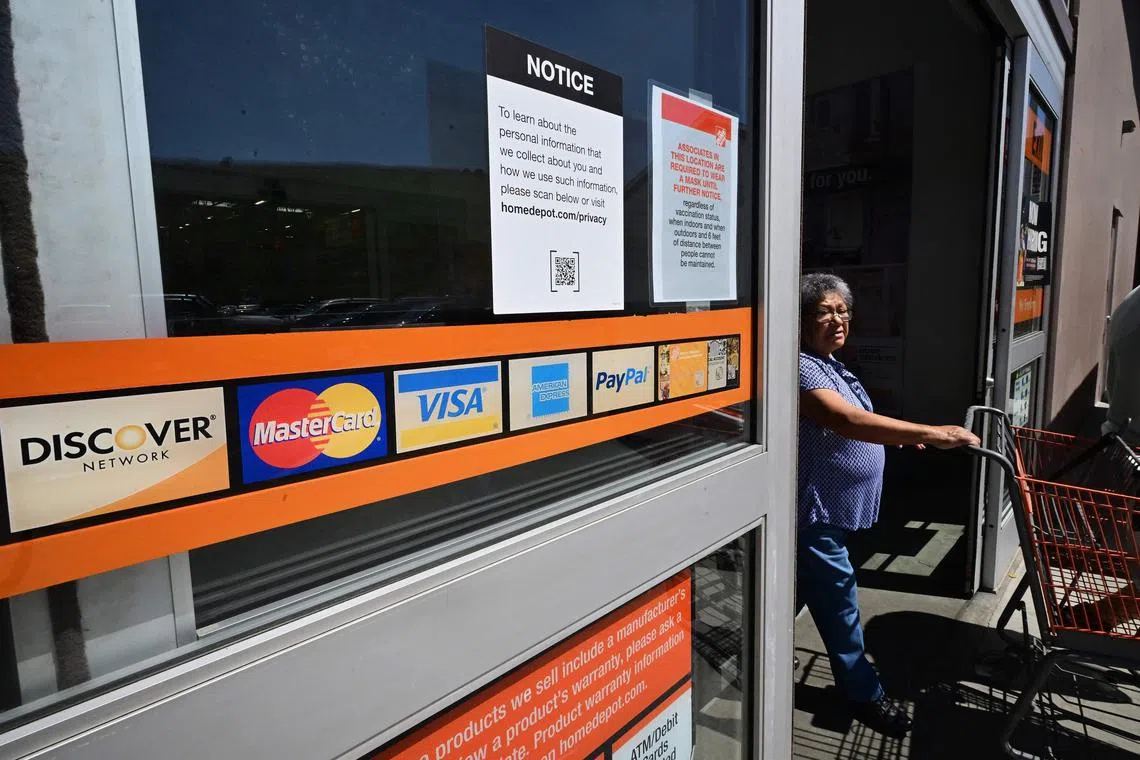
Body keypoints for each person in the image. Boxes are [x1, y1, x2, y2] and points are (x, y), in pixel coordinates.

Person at [797, 273, 980, 738]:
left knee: (815, 593)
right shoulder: (799, 365)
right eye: (824, 312)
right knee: (840, 603)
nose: (837, 320)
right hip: (813, 510)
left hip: (832, 511)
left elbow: (863, 421)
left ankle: (769, 654)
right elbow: (843, 419)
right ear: (799, 319)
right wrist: (931, 433)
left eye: (843, 311)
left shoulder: (829, 362)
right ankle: (863, 693)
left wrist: (896, 440)